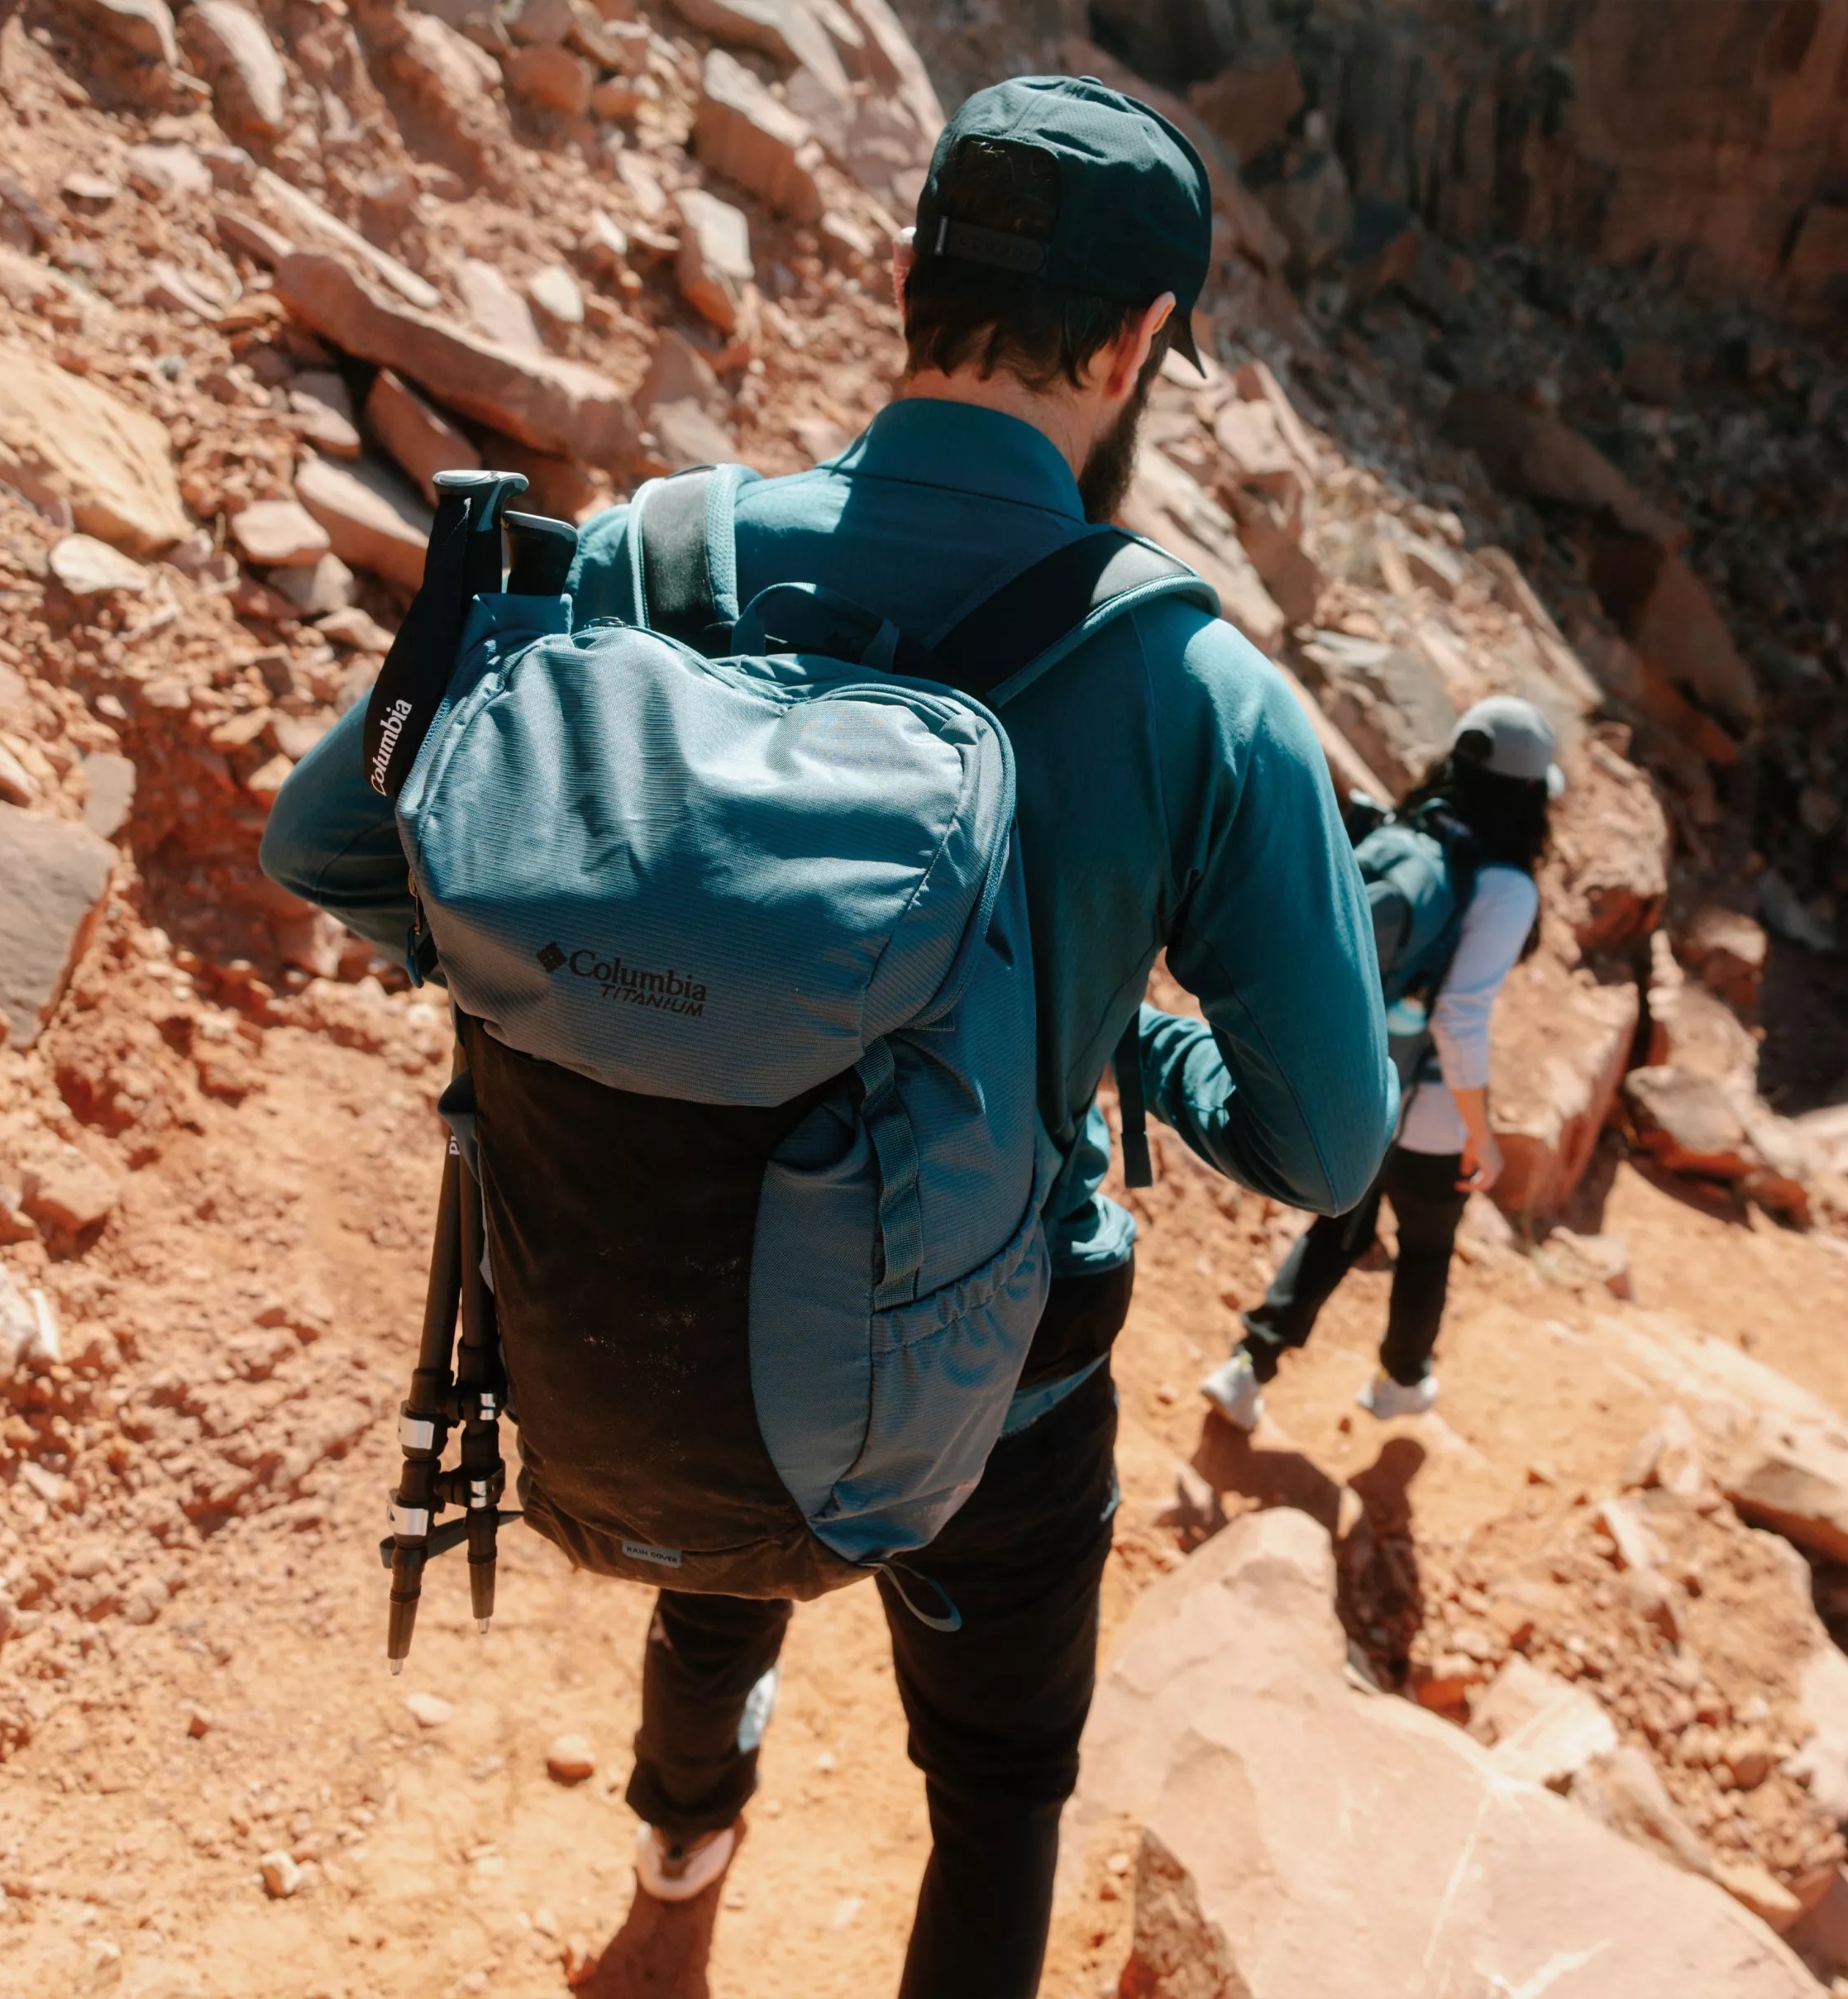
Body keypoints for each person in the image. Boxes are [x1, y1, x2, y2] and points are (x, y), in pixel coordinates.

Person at [261, 74, 1395, 1999]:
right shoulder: (1199, 687)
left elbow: (331, 837)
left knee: (717, 1595)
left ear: (897, 274)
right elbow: (1327, 1147)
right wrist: (1150, 1053)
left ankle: (668, 1915)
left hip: (644, 1307)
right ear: (1135, 348)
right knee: (1000, 1780)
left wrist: (595, 979)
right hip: (992, 1390)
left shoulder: (641, 561)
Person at [1201, 695, 1560, 1433]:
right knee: (1427, 1249)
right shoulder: (1508, 886)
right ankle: (1400, 1383)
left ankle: (1247, 1367)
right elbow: (1460, 1020)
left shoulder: (1421, 828)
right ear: (1529, 797)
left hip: (1366, 1083)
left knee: (1336, 1231)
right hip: (1429, 1117)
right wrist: (1481, 1135)